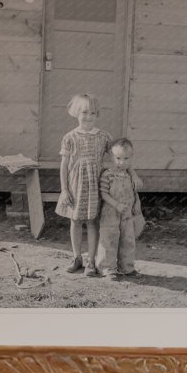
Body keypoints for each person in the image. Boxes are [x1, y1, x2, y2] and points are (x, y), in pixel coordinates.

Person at [56, 93, 110, 276]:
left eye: (93, 113)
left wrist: (130, 173)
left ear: (97, 115)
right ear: (76, 113)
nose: (89, 117)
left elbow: (118, 155)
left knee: (92, 221)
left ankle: (91, 260)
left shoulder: (103, 137)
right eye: (85, 112)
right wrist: (64, 189)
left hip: (95, 185)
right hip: (75, 185)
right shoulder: (70, 137)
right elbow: (64, 165)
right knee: (75, 220)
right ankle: (77, 256)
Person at [97, 138, 145, 281]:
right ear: (112, 157)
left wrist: (137, 204)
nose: (121, 162)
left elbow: (135, 191)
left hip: (127, 214)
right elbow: (103, 193)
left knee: (128, 240)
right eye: (118, 158)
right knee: (109, 239)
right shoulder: (107, 174)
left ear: (131, 158)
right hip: (110, 213)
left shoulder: (130, 175)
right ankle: (107, 268)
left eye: (125, 158)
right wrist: (116, 204)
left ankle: (127, 267)